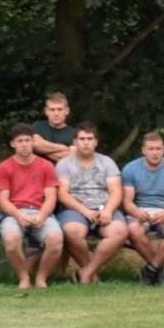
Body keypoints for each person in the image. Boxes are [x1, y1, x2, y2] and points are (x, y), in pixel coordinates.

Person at [55, 121, 127, 283]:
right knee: (72, 232)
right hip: (75, 210)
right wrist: (86, 211)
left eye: (89, 139)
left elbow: (116, 191)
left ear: (96, 142)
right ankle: (92, 276)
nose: (86, 142)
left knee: (119, 232)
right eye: (82, 139)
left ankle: (86, 273)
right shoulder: (64, 164)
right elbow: (63, 194)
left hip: (104, 206)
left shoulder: (107, 162)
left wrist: (108, 211)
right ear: (75, 142)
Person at [0, 124, 65, 289]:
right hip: (14, 213)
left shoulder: (46, 166)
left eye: (28, 140)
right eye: (20, 141)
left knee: (56, 240)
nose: (24, 144)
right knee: (11, 240)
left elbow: (51, 197)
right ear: (13, 144)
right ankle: (24, 277)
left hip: (41, 212)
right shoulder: (4, 167)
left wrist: (41, 216)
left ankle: (41, 278)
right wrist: (19, 216)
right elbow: (3, 200)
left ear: (33, 142)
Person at [121, 132, 164, 285]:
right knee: (132, 230)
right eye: (151, 149)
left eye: (158, 149)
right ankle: (157, 268)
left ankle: (150, 269)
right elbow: (127, 202)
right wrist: (136, 212)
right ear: (143, 150)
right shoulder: (130, 169)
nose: (155, 153)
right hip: (140, 210)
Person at [30, 92, 76, 164]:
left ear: (67, 111)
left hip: (60, 174)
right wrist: (64, 148)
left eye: (59, 109)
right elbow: (35, 145)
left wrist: (42, 149)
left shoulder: (74, 133)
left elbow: (71, 157)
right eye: (52, 110)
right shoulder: (37, 126)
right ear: (46, 111)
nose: (56, 113)